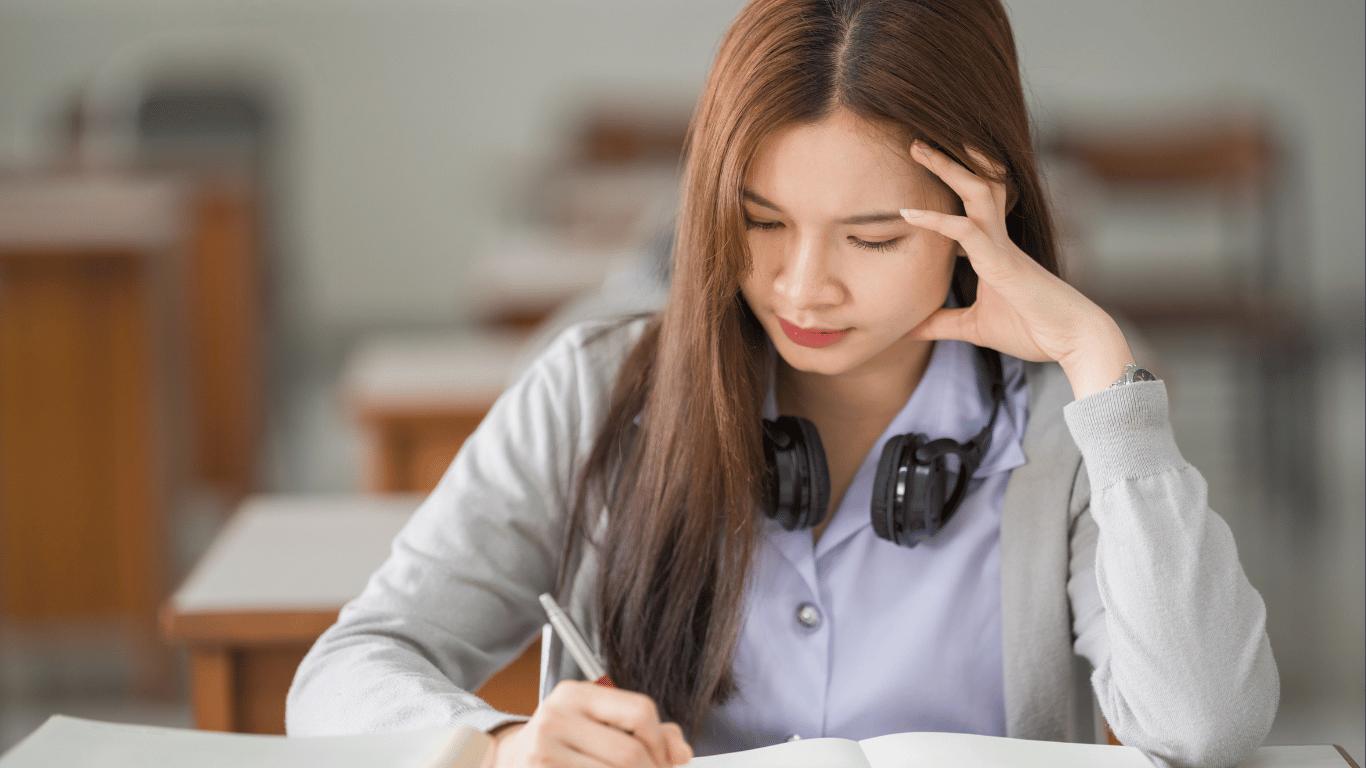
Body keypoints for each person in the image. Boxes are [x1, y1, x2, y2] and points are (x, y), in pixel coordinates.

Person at [286, 1, 1279, 766]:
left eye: (874, 235)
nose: (802, 286)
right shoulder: (595, 391)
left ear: (983, 208)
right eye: (760, 222)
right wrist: (494, 748)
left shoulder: (1063, 426)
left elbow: (1205, 732)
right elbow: (346, 672)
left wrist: (1097, 358)